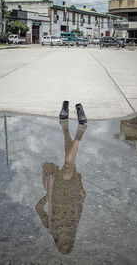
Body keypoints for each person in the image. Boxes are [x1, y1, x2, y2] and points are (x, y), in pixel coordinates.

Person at [35, 101, 87, 254]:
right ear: (71, 240)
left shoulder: (50, 226)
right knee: (68, 157)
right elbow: (79, 208)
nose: (65, 240)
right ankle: (64, 124)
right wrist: (82, 192)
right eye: (68, 242)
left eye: (62, 243)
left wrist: (47, 198)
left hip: (57, 190)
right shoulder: (74, 227)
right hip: (72, 190)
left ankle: (81, 129)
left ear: (58, 241)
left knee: (69, 165)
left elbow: (38, 208)